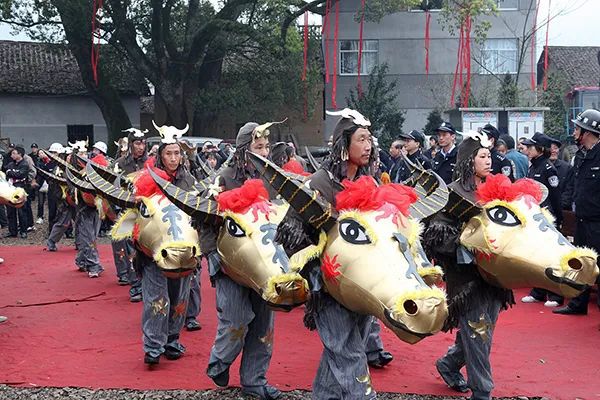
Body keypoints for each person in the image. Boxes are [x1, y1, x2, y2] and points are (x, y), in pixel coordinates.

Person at [278, 109, 390, 398]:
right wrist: (315, 268)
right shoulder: (319, 183)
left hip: (363, 284)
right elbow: (290, 230)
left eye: (370, 139)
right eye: (362, 139)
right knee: (348, 352)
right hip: (329, 285)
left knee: (342, 350)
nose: (369, 146)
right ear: (344, 144)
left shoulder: (371, 181)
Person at [425, 130, 514, 400]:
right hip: (465, 279)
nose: (490, 161)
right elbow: (434, 235)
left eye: (490, 156)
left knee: (482, 332)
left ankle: (449, 364)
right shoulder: (452, 194)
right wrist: (468, 243)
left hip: (495, 277)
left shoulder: (496, 190)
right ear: (468, 160)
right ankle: (482, 391)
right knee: (478, 332)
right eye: (483, 156)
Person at [203, 122, 281, 400]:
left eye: (267, 147)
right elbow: (203, 220)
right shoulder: (224, 179)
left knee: (263, 325)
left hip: (266, 264)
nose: (265, 152)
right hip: (232, 264)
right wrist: (212, 254)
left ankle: (254, 381)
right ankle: (220, 361)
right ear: (243, 150)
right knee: (236, 319)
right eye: (258, 147)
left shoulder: (274, 179)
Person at [139, 127, 196, 365]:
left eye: (177, 153)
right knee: (156, 299)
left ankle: (172, 339)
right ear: (161, 155)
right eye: (169, 154)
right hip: (155, 251)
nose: (173, 158)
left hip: (183, 250)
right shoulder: (148, 179)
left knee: (179, 298)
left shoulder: (189, 181)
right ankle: (153, 345)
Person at [554, 110, 600, 316]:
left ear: (588, 131)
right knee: (580, 265)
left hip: (598, 223)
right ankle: (577, 304)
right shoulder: (581, 156)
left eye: (578, 128)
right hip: (582, 220)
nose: (574, 132)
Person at [519, 132, 563, 307]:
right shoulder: (532, 167)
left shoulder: (548, 169)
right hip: (534, 217)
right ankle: (538, 291)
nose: (528, 150)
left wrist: (558, 219)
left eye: (531, 147)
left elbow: (555, 196)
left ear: (540, 149)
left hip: (548, 218)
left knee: (551, 257)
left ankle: (556, 294)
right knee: (536, 256)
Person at [113, 129, 148, 301]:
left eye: (143, 143)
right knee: (129, 248)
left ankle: (146, 283)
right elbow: (113, 188)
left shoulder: (152, 163)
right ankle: (135, 285)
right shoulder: (120, 163)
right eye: (137, 143)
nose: (141, 147)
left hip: (148, 212)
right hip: (128, 211)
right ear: (131, 143)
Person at [4, 147, 29, 239]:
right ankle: (12, 231)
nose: (12, 155)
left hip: (20, 188)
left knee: (22, 211)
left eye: (14, 153)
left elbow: (21, 175)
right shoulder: (10, 164)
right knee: (10, 211)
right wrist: (10, 172)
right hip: (10, 188)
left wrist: (10, 172)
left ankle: (23, 231)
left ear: (20, 154)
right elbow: (5, 171)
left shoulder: (25, 164)